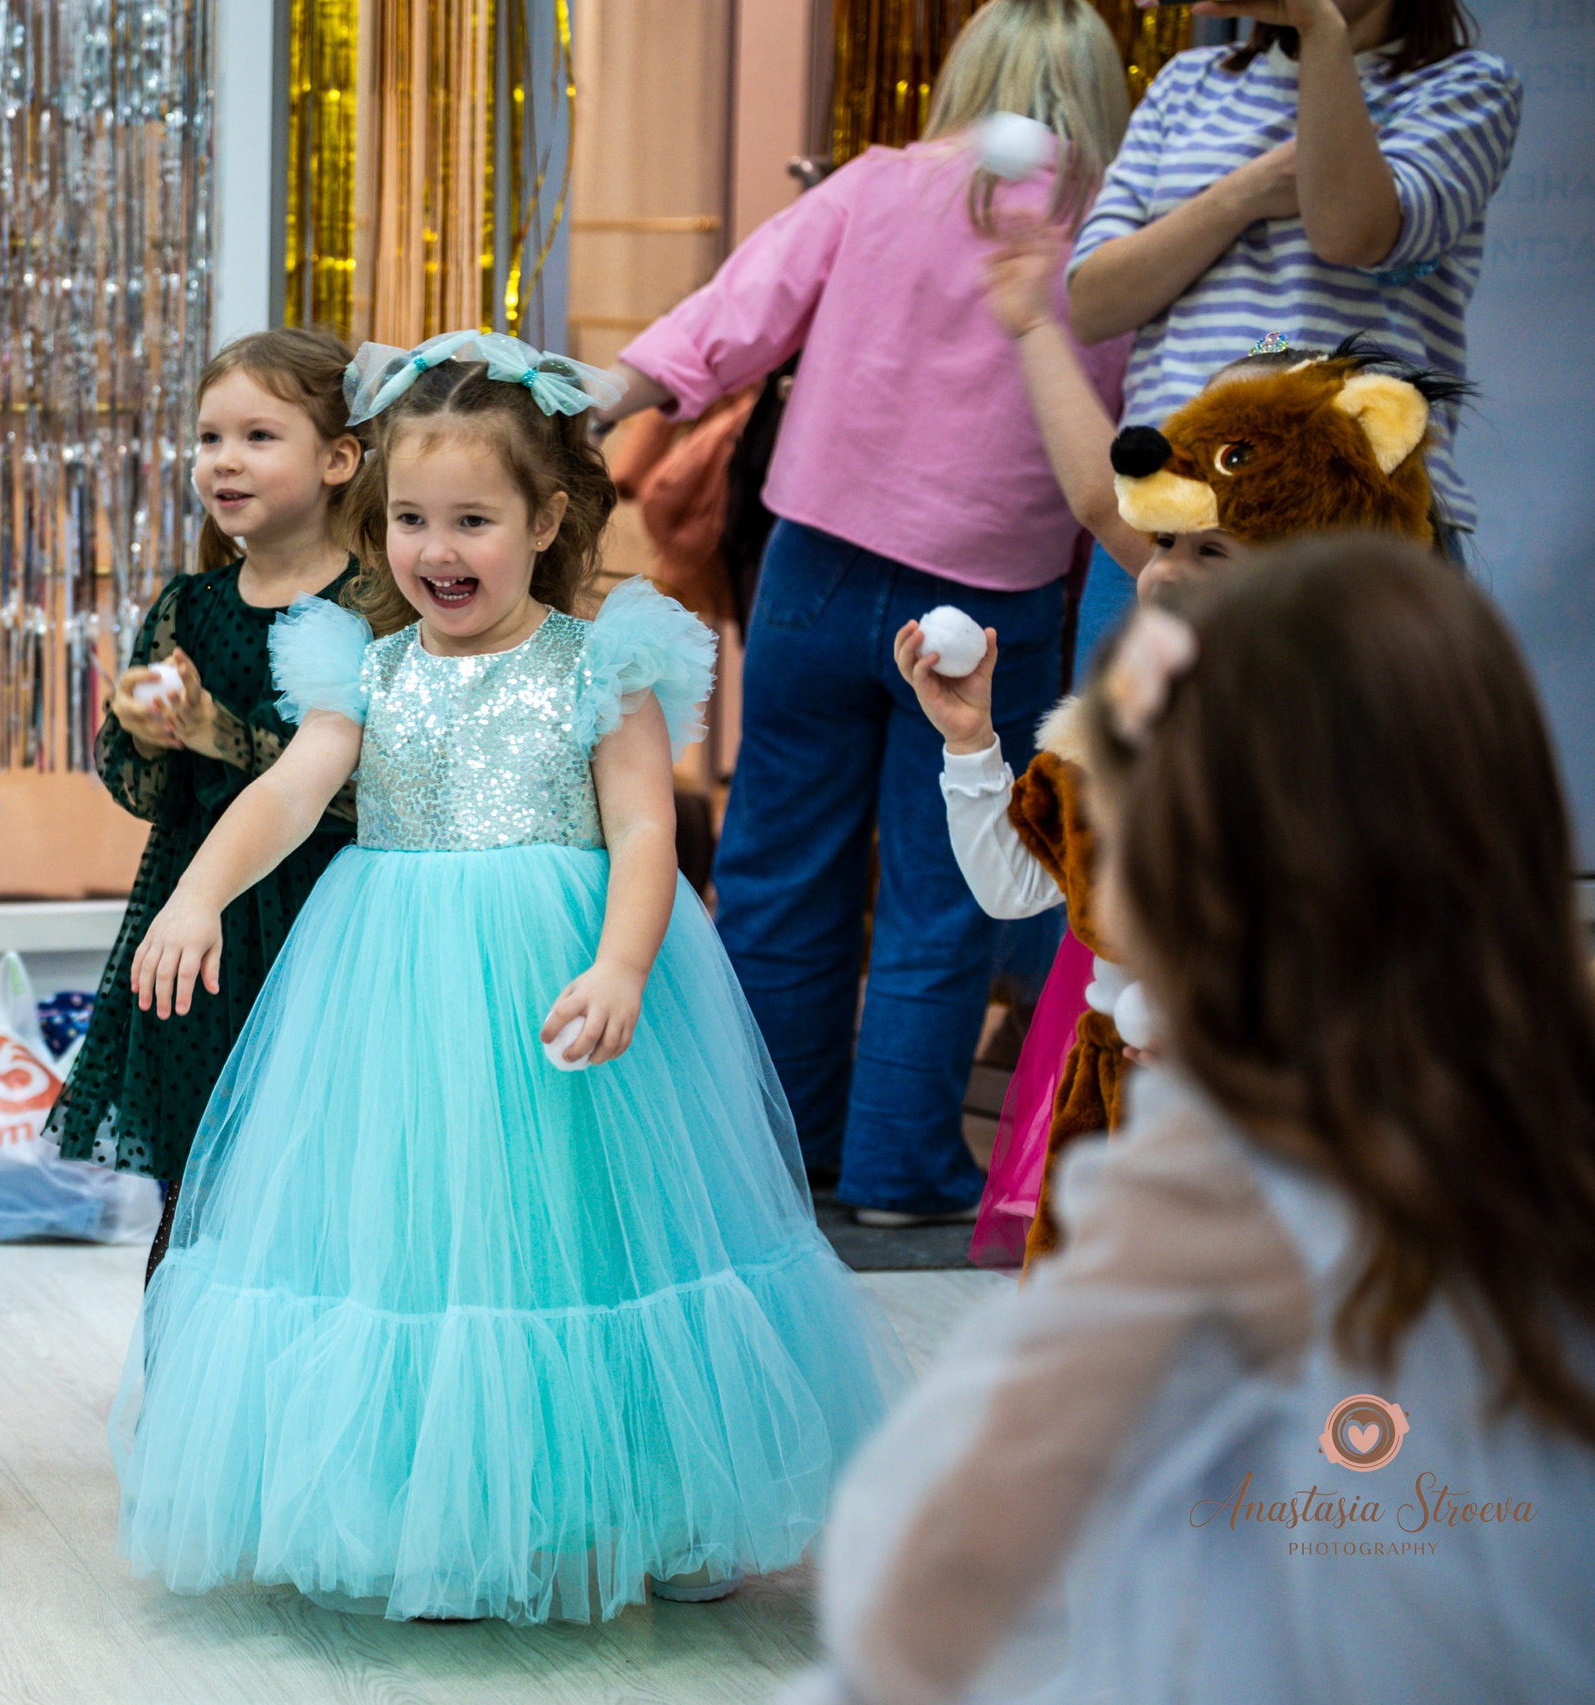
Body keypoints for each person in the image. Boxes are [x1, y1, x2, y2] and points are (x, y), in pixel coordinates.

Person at [111, 333, 900, 1624]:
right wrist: (199, 889)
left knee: (603, 1236)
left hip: (563, 980)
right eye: (412, 520)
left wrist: (623, 965)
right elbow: (296, 790)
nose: (438, 550)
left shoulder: (604, 663)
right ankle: (446, 1520)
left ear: (546, 518)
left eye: (473, 519)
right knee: (428, 1246)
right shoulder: (361, 669)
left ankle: (666, 1497)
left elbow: (647, 833)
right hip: (396, 990)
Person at [795, 538, 1595, 1704]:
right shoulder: (1542, 1110)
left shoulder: (1217, 1185)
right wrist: (970, 745)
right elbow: (1022, 878)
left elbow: (944, 1549)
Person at [599, 0, 1135, 1227]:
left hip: (817, 571)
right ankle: (901, 1173)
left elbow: (736, 316)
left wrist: (615, 390)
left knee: (780, 864)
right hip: (991, 596)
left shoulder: (879, 182)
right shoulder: (1116, 225)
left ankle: (768, 1162)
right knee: (944, 888)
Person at [931, 219, 1463, 1266]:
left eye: (1209, 551)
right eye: (1162, 542)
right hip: (1115, 1105)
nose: (1162, 575)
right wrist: (968, 745)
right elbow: (1018, 889)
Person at [47, 328, 366, 1283]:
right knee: (200, 1172)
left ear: (340, 457)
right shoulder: (189, 604)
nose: (223, 460)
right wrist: (145, 731)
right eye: (208, 438)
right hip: (204, 928)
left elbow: (365, 789)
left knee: (318, 1167)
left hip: (325, 920)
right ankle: (190, 1395)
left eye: (259, 436)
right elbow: (143, 791)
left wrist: (220, 734)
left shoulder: (376, 604)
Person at [1063, 0, 1520, 661]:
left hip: (1345, 522)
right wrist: (1243, 195)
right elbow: (1092, 302)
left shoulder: (1468, 85)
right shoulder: (1190, 81)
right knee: (1123, 760)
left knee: (1334, 761)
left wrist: (1319, 28)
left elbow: (1348, 229)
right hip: (1171, 513)